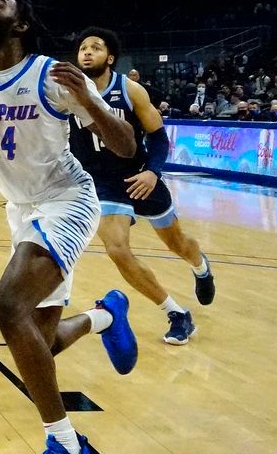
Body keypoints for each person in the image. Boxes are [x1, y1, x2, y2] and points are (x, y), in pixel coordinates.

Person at [0, 0, 139, 454]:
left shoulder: (53, 75)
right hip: (19, 209)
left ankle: (64, 441)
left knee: (7, 307)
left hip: (67, 201)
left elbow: (126, 146)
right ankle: (106, 315)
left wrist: (89, 100)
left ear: (20, 25)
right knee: (38, 345)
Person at [72, 28, 215, 346]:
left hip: (139, 176)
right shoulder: (67, 92)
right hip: (102, 182)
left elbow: (159, 137)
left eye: (95, 47)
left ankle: (200, 266)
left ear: (109, 58)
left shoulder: (130, 90)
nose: (87, 52)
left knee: (177, 243)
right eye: (83, 48)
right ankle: (177, 313)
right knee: (117, 250)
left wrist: (153, 171)